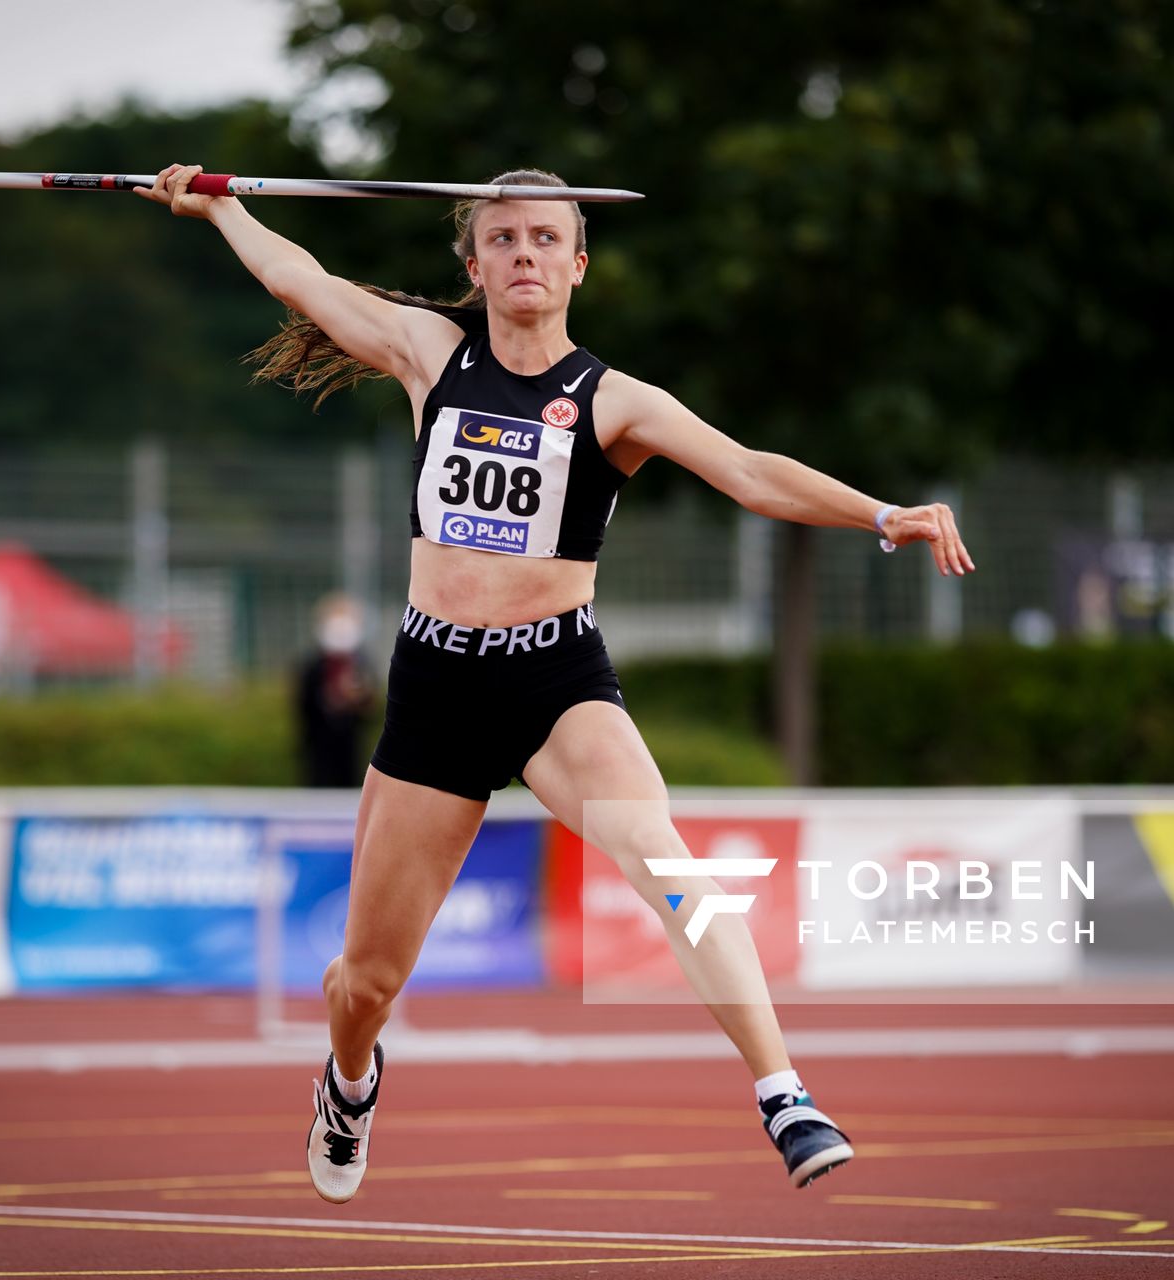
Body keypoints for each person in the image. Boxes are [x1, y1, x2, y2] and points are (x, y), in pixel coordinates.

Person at [138, 162, 974, 1204]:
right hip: (436, 688)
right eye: (502, 240)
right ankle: (349, 1082)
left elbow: (753, 471)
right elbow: (302, 279)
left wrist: (883, 515)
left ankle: (785, 1091)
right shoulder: (428, 353)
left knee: (670, 864)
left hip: (555, 680)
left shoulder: (618, 400)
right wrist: (222, 208)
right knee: (365, 981)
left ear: (578, 264)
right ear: (475, 262)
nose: (523, 255)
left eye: (544, 239)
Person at [293, 593, 376, 787]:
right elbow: (302, 709)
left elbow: (372, 710)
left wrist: (357, 700)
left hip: (353, 753)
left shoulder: (362, 663)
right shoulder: (312, 666)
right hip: (318, 754)